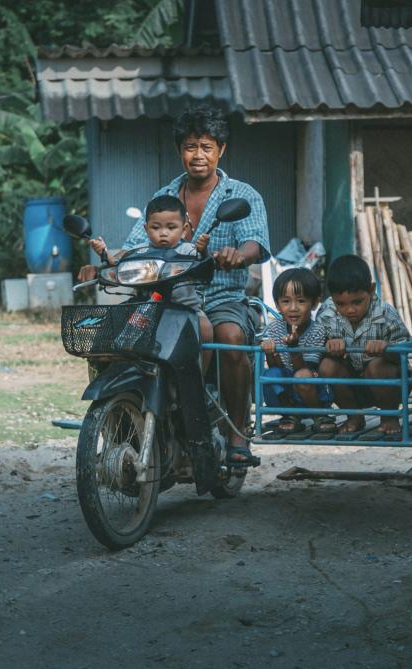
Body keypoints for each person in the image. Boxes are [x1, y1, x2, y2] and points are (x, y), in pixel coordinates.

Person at [116, 104, 269, 465]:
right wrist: (109, 260)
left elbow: (257, 243)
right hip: (169, 296)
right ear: (179, 151)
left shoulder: (242, 194)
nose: (198, 156)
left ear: (221, 150)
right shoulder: (166, 195)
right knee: (123, 338)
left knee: (230, 336)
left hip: (222, 296)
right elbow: (137, 241)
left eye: (206, 147)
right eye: (190, 147)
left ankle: (237, 434)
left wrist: (239, 255)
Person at [88, 194, 214, 369]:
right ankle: (111, 368)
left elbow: (204, 262)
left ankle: (199, 374)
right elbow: (118, 263)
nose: (163, 233)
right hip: (145, 308)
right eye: (156, 227)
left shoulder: (189, 250)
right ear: (146, 229)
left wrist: (203, 250)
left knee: (205, 328)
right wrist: (104, 253)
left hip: (185, 309)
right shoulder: (140, 251)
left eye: (171, 227)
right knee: (112, 325)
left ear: (184, 229)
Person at [316, 255, 410, 435]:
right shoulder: (327, 313)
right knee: (327, 366)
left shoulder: (386, 313)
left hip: (389, 386)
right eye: (341, 304)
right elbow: (314, 350)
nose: (350, 310)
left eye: (357, 302)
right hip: (351, 387)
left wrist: (386, 349)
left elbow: (404, 353)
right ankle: (354, 416)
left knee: (376, 366)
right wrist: (328, 347)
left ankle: (389, 417)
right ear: (332, 298)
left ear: (372, 290)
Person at [257, 268, 332, 434]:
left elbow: (305, 369)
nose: (293, 308)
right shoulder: (274, 328)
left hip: (311, 393)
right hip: (288, 393)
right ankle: (290, 413)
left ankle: (319, 415)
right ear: (277, 304)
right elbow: (276, 366)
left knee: (302, 376)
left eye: (301, 301)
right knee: (270, 374)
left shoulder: (317, 330)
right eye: (285, 301)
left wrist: (294, 348)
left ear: (314, 303)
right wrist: (270, 353)